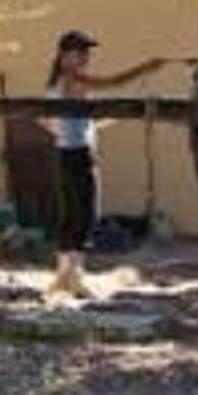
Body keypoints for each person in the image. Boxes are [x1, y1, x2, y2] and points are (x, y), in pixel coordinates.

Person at [44, 30, 172, 297]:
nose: (86, 56)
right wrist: (145, 68)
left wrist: (112, 120)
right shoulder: (73, 78)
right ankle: (76, 278)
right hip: (79, 155)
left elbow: (57, 123)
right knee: (86, 216)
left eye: (87, 51)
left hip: (64, 154)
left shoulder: (54, 83)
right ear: (64, 55)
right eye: (80, 51)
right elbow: (113, 82)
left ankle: (63, 276)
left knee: (69, 216)